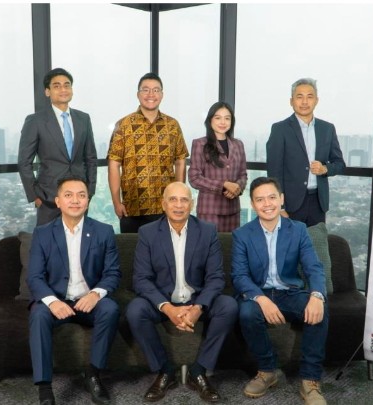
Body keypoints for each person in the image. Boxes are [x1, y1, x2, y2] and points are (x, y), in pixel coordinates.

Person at [126, 181, 237, 403]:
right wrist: (168, 308)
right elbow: (141, 279)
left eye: (184, 200)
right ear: (163, 204)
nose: (178, 205)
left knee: (229, 306)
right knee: (135, 310)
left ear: (192, 204)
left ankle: (199, 370)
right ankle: (165, 371)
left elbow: (216, 277)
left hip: (197, 300)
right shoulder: (148, 233)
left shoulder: (207, 231)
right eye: (173, 200)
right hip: (163, 301)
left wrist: (198, 308)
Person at [231, 176, 328, 405]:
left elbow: (314, 268)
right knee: (246, 313)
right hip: (258, 293)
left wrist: (317, 295)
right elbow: (239, 276)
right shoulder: (242, 235)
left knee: (320, 310)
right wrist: (261, 299)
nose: (267, 204)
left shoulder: (298, 230)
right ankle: (267, 370)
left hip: (289, 292)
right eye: (260, 200)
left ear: (281, 199)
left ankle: (310, 379)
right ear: (253, 204)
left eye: (272, 197)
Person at [27, 176, 121, 405]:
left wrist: (95, 294)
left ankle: (93, 374)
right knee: (38, 315)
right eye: (68, 195)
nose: (75, 200)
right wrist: (52, 301)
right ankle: (44, 387)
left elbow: (113, 273)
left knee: (110, 309)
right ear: (58, 201)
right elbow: (35, 277)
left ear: (88, 201)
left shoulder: (104, 231)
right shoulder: (42, 233)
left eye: (81, 195)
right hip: (57, 299)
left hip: (89, 301)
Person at [107, 72, 189, 233]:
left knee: (166, 249)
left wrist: (178, 198)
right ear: (138, 94)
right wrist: (117, 202)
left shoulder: (172, 125)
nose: (151, 94)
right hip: (132, 208)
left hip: (166, 207)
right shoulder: (124, 125)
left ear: (162, 95)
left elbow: (180, 161)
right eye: (145, 90)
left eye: (156, 90)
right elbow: (113, 165)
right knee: (131, 249)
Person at [18, 68, 98, 225]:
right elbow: (24, 162)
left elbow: (91, 158)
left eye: (67, 85)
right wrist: (35, 196)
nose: (63, 89)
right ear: (47, 92)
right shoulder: (35, 121)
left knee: (78, 238)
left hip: (78, 197)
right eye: (57, 86)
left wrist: (89, 191)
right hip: (48, 197)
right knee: (48, 239)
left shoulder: (83, 119)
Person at [266, 78, 345, 227]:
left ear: (316, 100)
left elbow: (340, 164)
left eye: (309, 96)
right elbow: (274, 171)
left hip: (318, 202)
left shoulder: (327, 129)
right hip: (290, 204)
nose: (304, 102)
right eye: (299, 97)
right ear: (291, 101)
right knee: (290, 242)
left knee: (317, 240)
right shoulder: (280, 129)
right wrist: (280, 207)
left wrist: (325, 169)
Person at [188, 101, 247, 232]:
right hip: (209, 210)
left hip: (233, 210)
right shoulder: (200, 144)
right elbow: (194, 178)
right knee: (209, 244)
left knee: (231, 244)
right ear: (210, 120)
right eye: (218, 118)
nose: (223, 122)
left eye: (227, 118)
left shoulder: (238, 144)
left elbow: (243, 174)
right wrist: (224, 185)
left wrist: (237, 187)